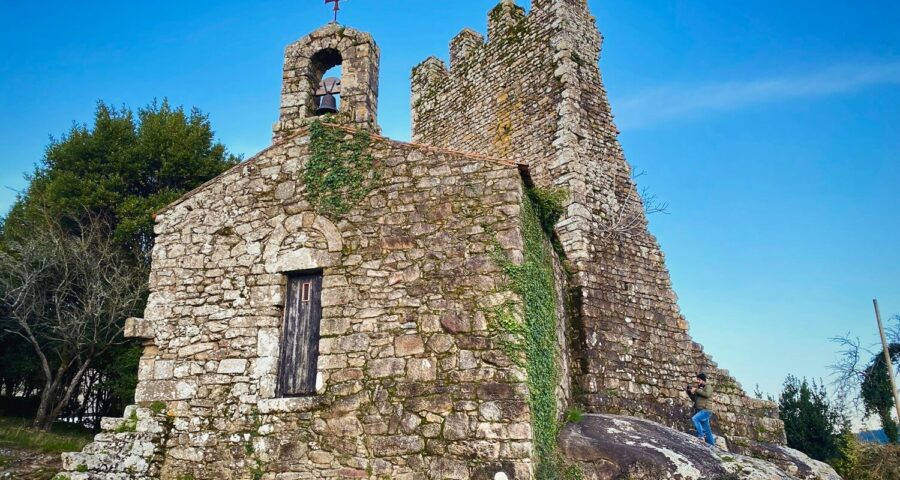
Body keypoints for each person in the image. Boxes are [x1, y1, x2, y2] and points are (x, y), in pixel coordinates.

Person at [686, 372, 715, 446]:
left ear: (703, 380)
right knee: (707, 430)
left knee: (695, 419)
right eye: (697, 379)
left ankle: (701, 437)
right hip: (699, 410)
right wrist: (689, 392)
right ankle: (712, 445)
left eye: (699, 379)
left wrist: (696, 390)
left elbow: (707, 394)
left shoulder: (708, 387)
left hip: (706, 410)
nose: (697, 381)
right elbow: (694, 399)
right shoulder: (700, 389)